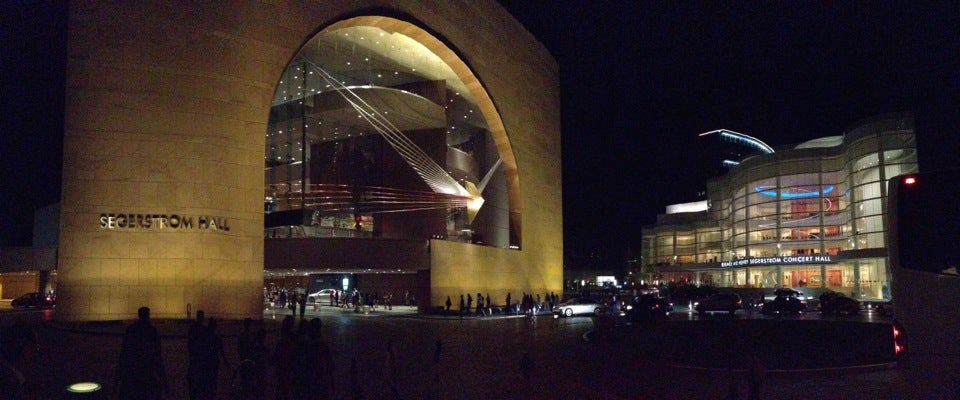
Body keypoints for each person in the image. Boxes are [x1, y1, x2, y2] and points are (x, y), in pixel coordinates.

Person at [114, 306, 167, 400]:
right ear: (148, 316)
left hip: (132, 375)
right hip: (148, 375)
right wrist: (163, 380)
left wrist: (116, 382)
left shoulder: (131, 330)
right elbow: (158, 357)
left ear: (139, 315)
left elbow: (123, 355)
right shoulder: (152, 331)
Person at [0, 322, 38, 400]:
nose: (36, 352)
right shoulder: (12, 383)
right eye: (36, 347)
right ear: (26, 349)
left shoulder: (8, 374)